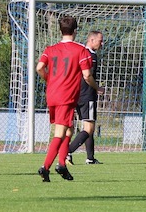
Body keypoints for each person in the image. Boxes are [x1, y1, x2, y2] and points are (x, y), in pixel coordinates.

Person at [35, 16, 88, 182]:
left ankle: (63, 165)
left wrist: (49, 79)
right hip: (66, 96)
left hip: (52, 95)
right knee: (59, 132)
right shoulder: (80, 50)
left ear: (60, 30)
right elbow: (87, 75)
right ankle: (45, 167)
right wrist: (97, 87)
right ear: (75, 31)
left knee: (68, 130)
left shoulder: (50, 49)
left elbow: (39, 67)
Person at [65, 29, 103, 166]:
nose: (102, 44)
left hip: (74, 93)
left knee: (84, 126)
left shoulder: (80, 52)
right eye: (100, 41)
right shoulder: (90, 56)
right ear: (91, 40)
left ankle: (90, 158)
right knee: (89, 128)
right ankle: (67, 152)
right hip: (87, 95)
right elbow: (87, 76)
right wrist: (97, 88)